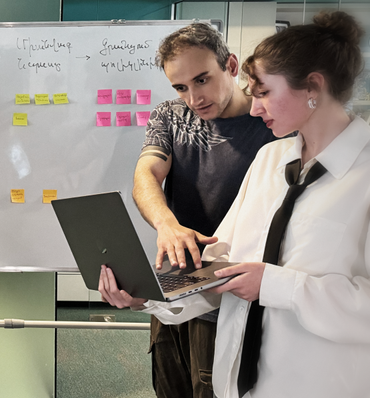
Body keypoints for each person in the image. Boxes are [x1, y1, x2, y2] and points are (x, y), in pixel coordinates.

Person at [100, 11, 370, 398]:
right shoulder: (271, 160)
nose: (256, 109)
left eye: (263, 93)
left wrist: (276, 285)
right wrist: (148, 295)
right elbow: (221, 267)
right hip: (241, 381)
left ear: (313, 86)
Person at [130, 23, 276, 398]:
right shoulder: (171, 115)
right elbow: (146, 173)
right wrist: (166, 225)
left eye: (202, 80)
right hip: (175, 281)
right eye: (181, 87)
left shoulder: (271, 124)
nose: (193, 97)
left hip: (230, 294)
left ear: (230, 65)